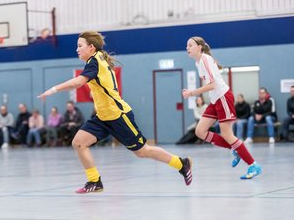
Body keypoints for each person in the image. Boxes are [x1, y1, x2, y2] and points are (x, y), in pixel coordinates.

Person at [38, 31, 192, 193]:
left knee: (142, 151)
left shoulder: (94, 61)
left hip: (118, 115)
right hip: (103, 117)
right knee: (79, 143)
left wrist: (53, 89)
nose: (77, 49)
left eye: (79, 46)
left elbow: (78, 82)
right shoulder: (98, 59)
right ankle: (94, 181)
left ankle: (181, 164)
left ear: (91, 47)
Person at [183, 36, 261, 179]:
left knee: (227, 134)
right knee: (200, 131)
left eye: (190, 45)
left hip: (223, 97)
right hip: (215, 100)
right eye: (186, 46)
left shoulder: (205, 60)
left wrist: (192, 93)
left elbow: (213, 85)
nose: (187, 48)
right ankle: (234, 148)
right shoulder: (198, 62)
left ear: (199, 47)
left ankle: (253, 164)